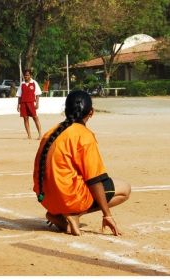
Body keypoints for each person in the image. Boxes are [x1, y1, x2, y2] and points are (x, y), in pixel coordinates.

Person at [33, 90, 131, 236]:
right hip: (68, 199)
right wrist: (107, 215)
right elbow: (94, 180)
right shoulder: (84, 135)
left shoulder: (51, 132)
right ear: (91, 112)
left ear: (66, 110)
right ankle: (74, 214)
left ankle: (59, 215)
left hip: (47, 199)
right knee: (124, 188)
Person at [16, 69, 42, 139]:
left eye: (27, 75)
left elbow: (38, 94)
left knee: (35, 118)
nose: (26, 76)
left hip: (31, 103)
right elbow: (19, 95)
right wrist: (18, 105)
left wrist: (37, 103)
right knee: (25, 119)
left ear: (30, 75)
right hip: (23, 103)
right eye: (25, 75)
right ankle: (29, 135)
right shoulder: (22, 84)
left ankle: (40, 134)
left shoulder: (34, 83)